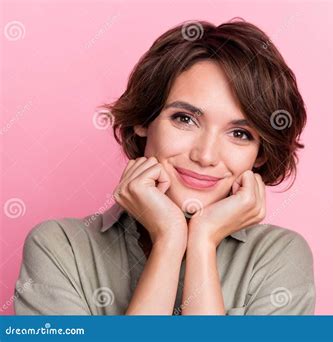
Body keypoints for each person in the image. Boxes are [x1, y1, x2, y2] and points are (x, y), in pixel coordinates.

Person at [14, 19, 315, 315]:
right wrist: (169, 240)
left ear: (259, 154)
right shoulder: (60, 248)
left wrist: (203, 240)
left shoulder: (280, 258)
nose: (206, 156)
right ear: (144, 119)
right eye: (185, 118)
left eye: (240, 134)